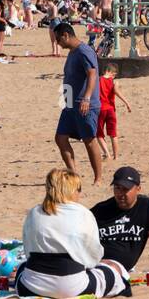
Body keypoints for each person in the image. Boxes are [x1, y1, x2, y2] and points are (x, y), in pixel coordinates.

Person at [16, 168, 129, 299]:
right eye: (78, 189)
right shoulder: (83, 213)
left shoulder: (34, 212)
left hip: (30, 287)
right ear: (72, 191)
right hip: (72, 287)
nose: (79, 194)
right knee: (111, 273)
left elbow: (28, 251)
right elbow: (93, 256)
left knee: (23, 267)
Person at [90, 166, 149, 279]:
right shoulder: (99, 210)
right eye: (117, 188)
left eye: (126, 189)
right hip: (98, 267)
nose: (120, 193)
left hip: (119, 271)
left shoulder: (147, 207)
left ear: (138, 189)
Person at [52, 22, 103, 184]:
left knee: (89, 140)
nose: (57, 43)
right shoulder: (72, 53)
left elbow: (92, 74)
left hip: (85, 104)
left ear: (66, 35)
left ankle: (98, 178)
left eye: (58, 39)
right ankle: (74, 175)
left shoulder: (84, 51)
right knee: (60, 138)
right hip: (70, 105)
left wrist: (86, 98)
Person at [96, 63, 132, 161]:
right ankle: (116, 157)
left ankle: (107, 154)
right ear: (111, 72)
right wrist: (127, 103)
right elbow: (117, 92)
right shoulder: (114, 82)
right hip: (111, 110)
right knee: (113, 134)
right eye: (114, 74)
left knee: (99, 134)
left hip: (100, 110)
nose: (114, 76)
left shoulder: (98, 80)